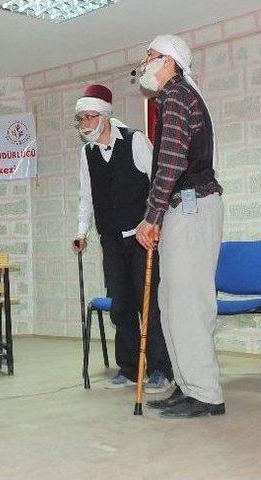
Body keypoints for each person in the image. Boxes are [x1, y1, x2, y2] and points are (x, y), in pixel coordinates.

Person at [135, 35, 225, 418]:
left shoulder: (176, 96)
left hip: (190, 208)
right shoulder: (174, 98)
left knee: (187, 303)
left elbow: (170, 162)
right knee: (171, 302)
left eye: (150, 57)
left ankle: (205, 393)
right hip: (183, 209)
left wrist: (150, 216)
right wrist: (159, 213)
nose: (145, 65)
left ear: (169, 61)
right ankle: (187, 385)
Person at [72, 85, 173, 393]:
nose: (85, 124)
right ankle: (129, 368)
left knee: (151, 304)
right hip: (112, 238)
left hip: (143, 236)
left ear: (105, 116)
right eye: (81, 119)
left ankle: (160, 369)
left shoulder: (135, 140)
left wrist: (153, 221)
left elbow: (159, 182)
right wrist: (81, 231)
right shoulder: (87, 153)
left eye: (90, 117)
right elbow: (86, 196)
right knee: (121, 304)